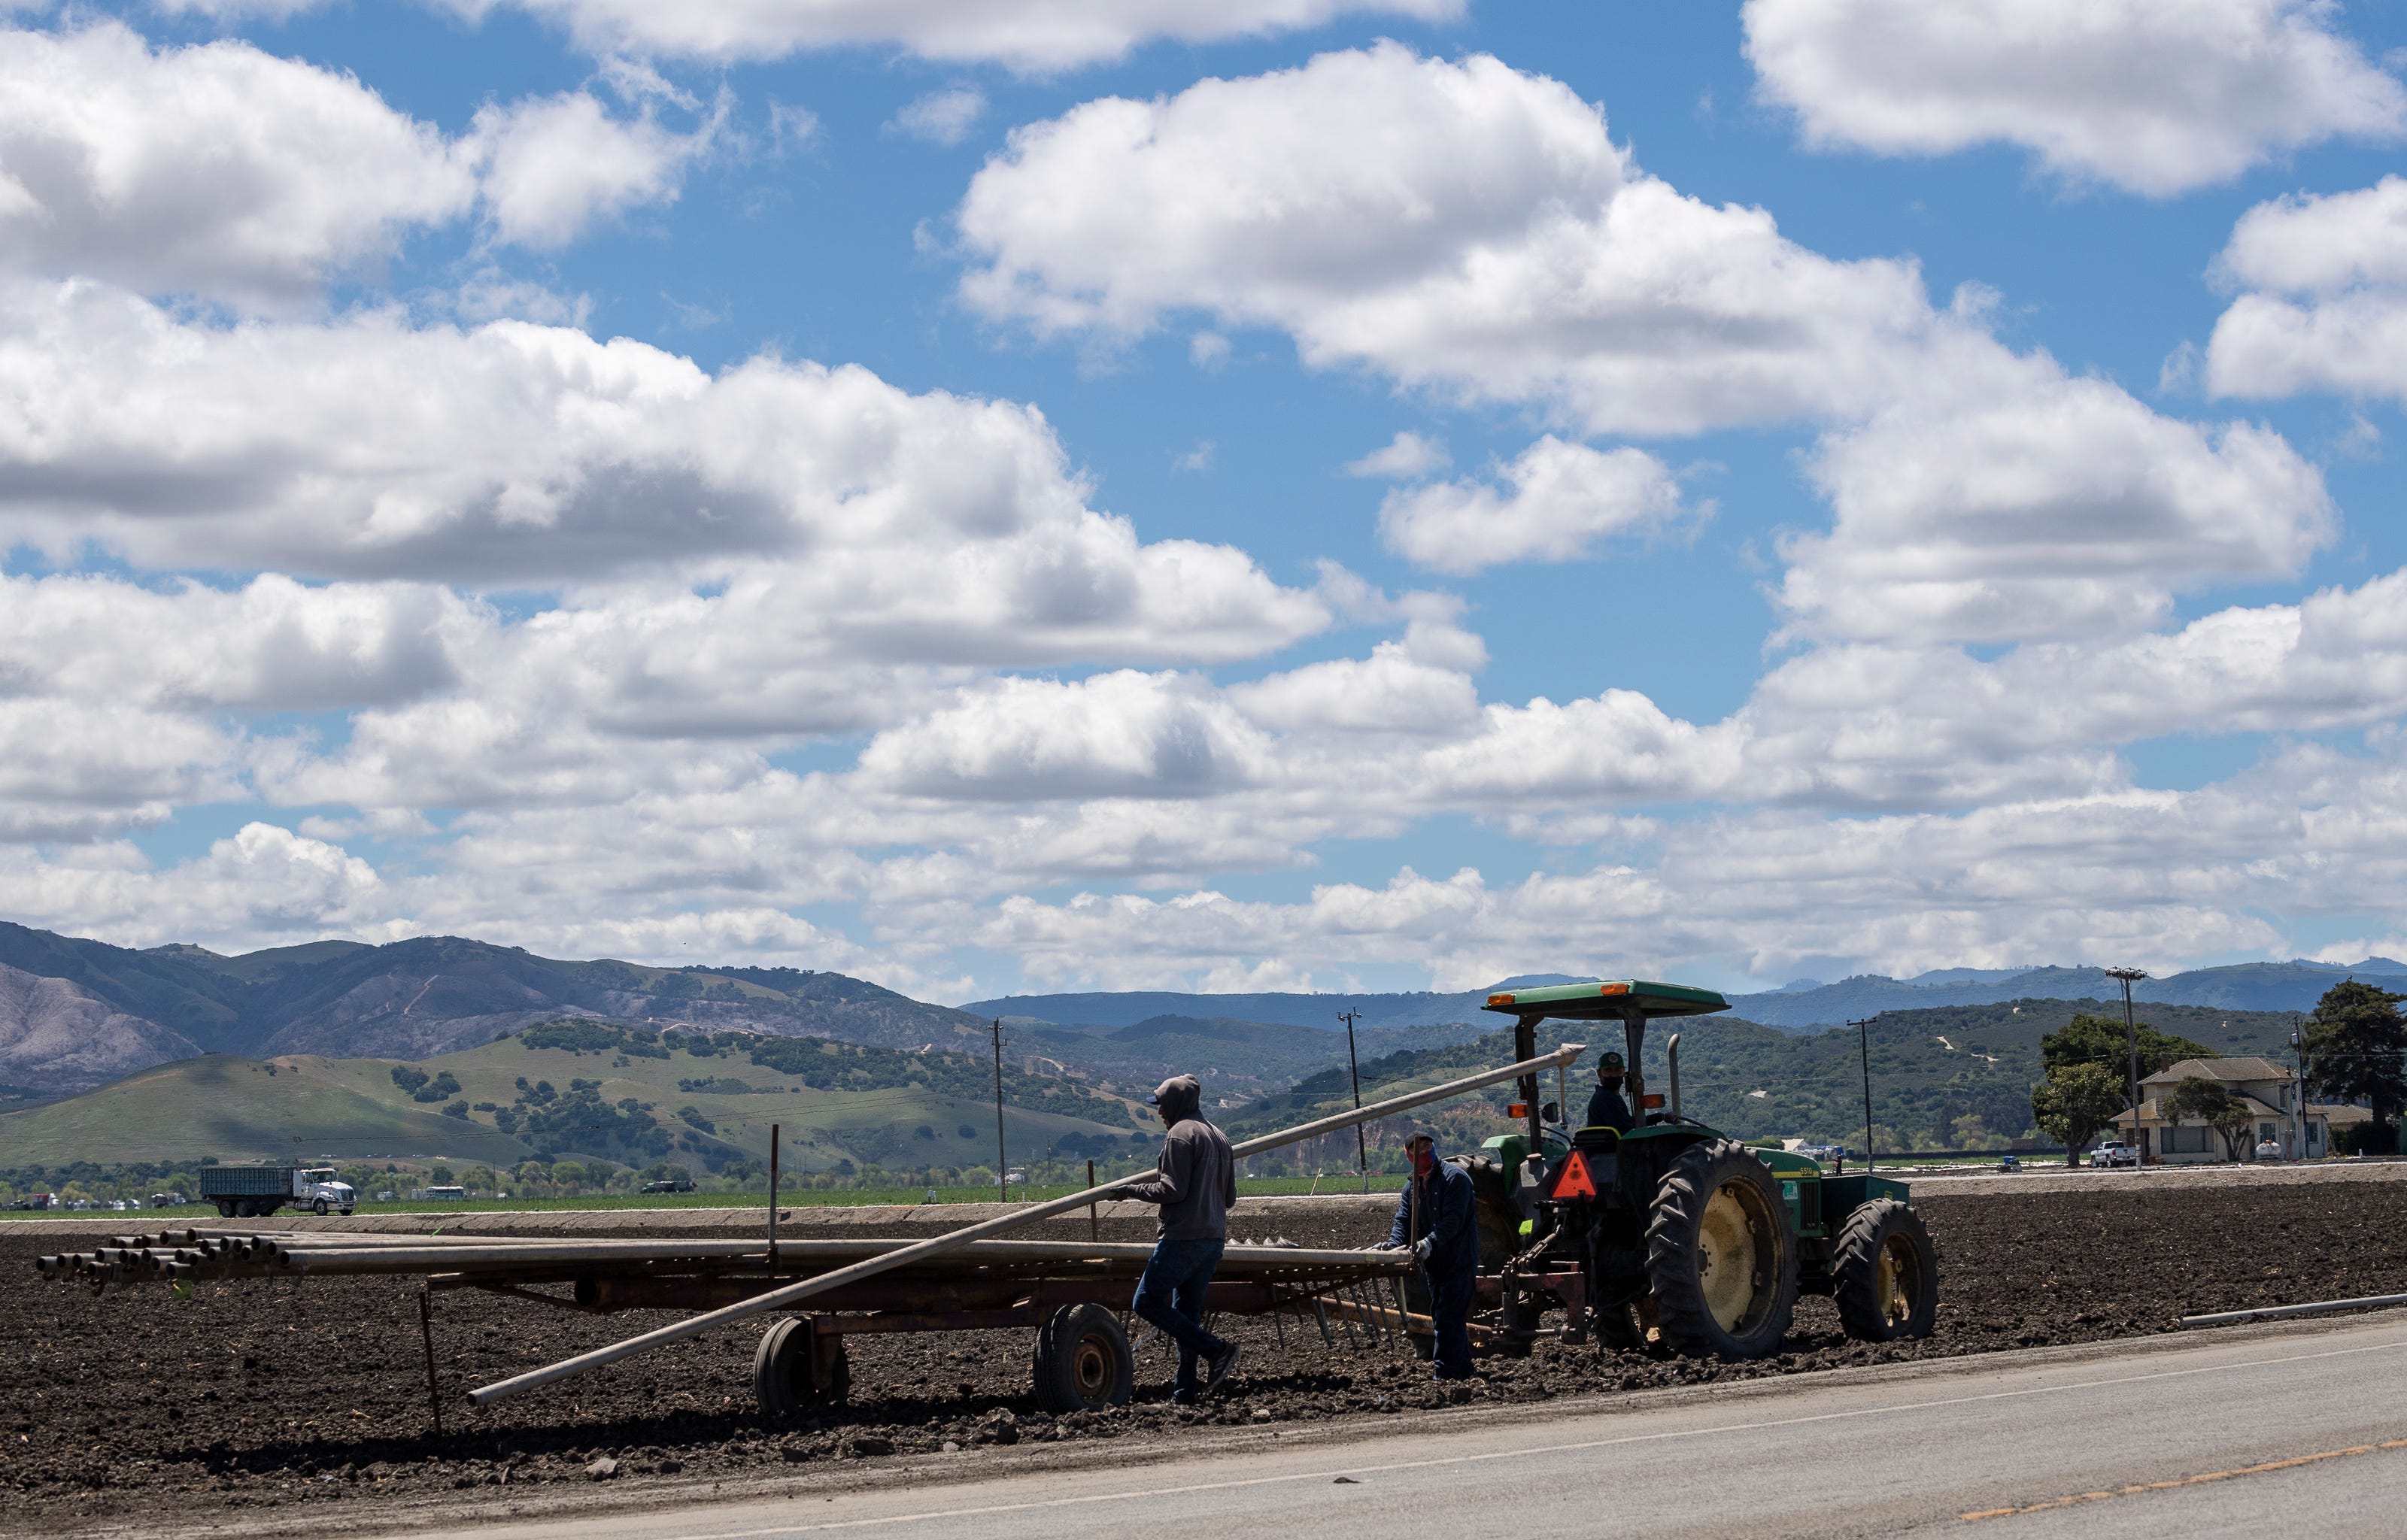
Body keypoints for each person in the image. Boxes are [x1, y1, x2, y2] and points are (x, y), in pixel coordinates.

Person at [1126, 1074, 1241, 1402]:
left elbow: (1171, 1191)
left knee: (1145, 1301)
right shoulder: (1220, 1137)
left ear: (1176, 1103)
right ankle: (1184, 1393)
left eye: (1162, 1104)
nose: (1160, 1111)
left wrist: (1129, 1192)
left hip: (1182, 1238)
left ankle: (1218, 1349)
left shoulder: (1180, 1135)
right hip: (1213, 1239)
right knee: (1187, 1316)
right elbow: (1229, 1199)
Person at [1383, 1131, 1479, 1379]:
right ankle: (1463, 1369)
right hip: (1435, 1264)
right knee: (1444, 1316)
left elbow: (1453, 1221)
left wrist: (1429, 1242)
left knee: (1448, 1316)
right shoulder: (1411, 1188)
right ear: (1409, 1156)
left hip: (1458, 1259)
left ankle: (1444, 1374)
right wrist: (1395, 1247)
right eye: (1418, 1151)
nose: (1424, 1154)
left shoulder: (1456, 1180)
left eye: (1427, 1148)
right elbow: (1403, 1220)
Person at [1585, 1050, 1635, 1132]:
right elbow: (1625, 1129)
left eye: (1618, 1070)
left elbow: (1628, 1122)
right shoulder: (1605, 1098)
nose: (1614, 1075)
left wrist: (1659, 1117)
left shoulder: (1610, 1095)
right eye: (1608, 1071)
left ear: (1623, 1073)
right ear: (1599, 1073)